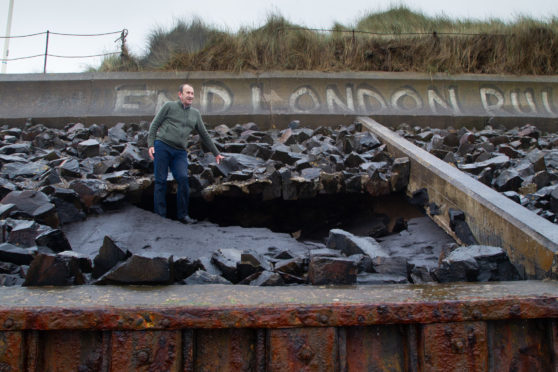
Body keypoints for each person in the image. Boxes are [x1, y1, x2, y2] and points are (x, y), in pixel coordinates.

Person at [147, 83, 224, 224]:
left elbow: (204, 134)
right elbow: (154, 125)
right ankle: (160, 216)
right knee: (160, 180)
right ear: (180, 94)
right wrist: (151, 144)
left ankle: (183, 215)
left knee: (183, 179)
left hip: (180, 152)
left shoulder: (195, 114)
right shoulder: (169, 106)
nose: (190, 96)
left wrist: (216, 153)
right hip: (162, 146)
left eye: (192, 93)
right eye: (188, 93)